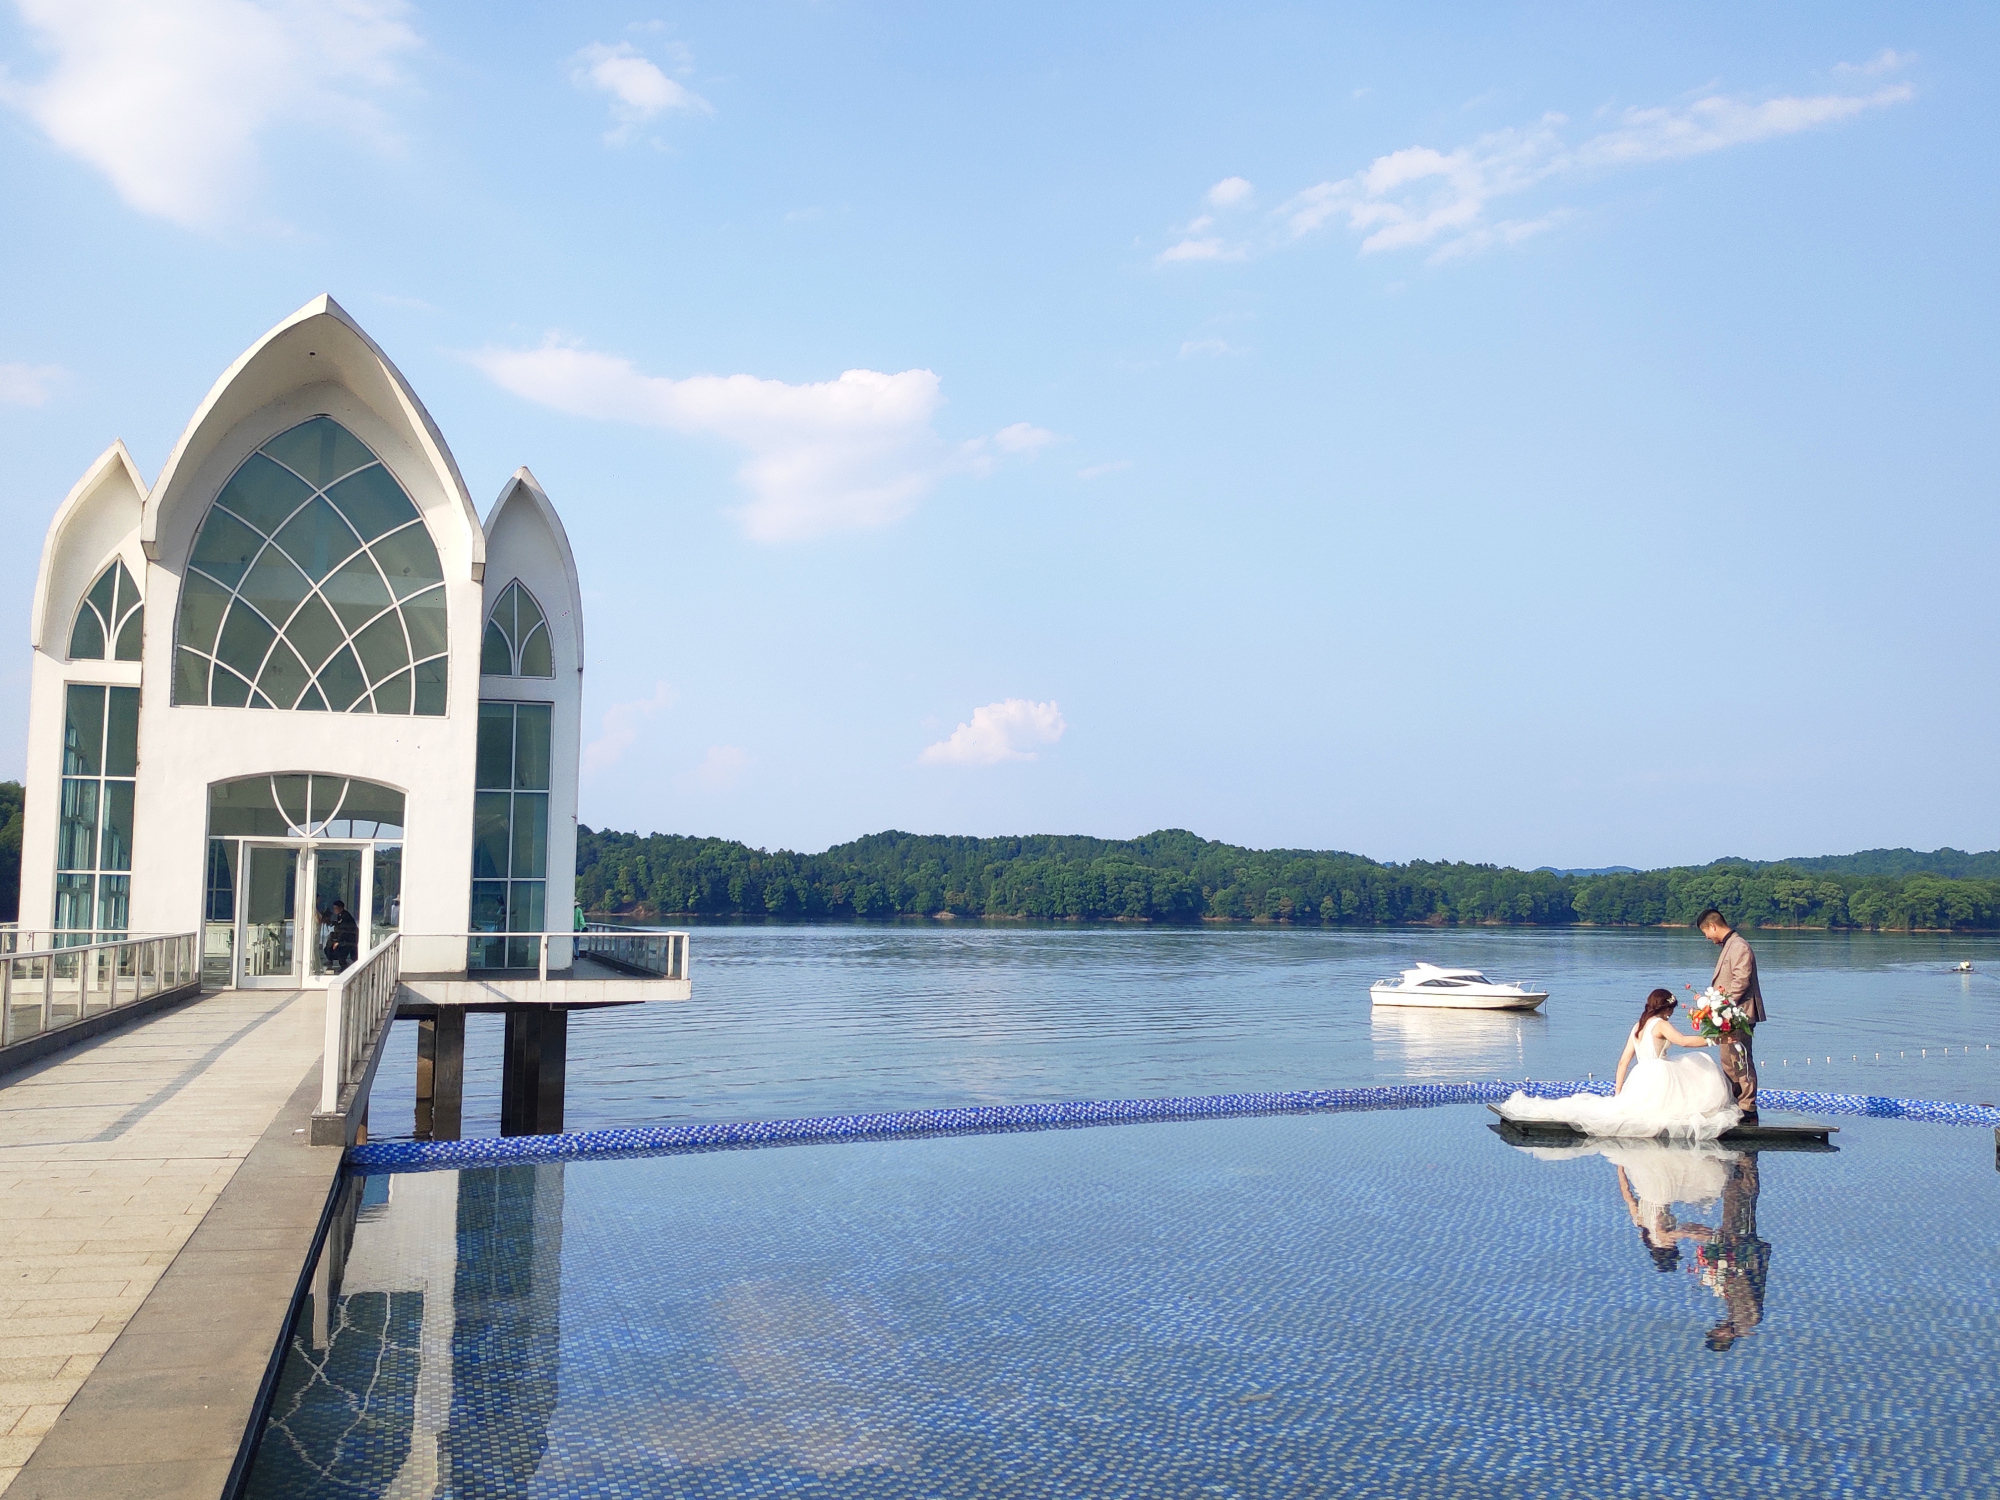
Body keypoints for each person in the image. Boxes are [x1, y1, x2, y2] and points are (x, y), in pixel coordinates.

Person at [1498, 988, 1741, 1138]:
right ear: (1666, 1008)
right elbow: (1685, 1042)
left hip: (1641, 1076)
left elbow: (1624, 1062)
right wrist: (1716, 1040)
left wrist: (1619, 1093)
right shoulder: (1661, 1024)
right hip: (1658, 1076)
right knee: (1700, 1062)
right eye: (1671, 1010)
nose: (1671, 1014)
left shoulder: (1639, 1026)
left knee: (1626, 1110)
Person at [1697, 907, 1765, 1121]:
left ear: (1713, 926)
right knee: (1728, 1059)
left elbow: (1741, 980)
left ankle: (1747, 1107)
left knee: (1740, 1059)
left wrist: (1721, 1006)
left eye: (1705, 933)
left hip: (1740, 1013)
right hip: (1730, 1014)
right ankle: (1736, 1102)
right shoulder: (1730, 945)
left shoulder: (1739, 946)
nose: (1707, 938)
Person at [323, 898, 360, 972]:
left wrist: (338, 941)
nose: (335, 910)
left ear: (341, 908)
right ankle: (331, 960)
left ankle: (344, 969)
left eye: (336, 908)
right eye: (334, 908)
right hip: (345, 938)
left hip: (349, 939)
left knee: (342, 955)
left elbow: (345, 930)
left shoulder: (346, 916)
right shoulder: (341, 915)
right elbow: (340, 926)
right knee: (329, 946)